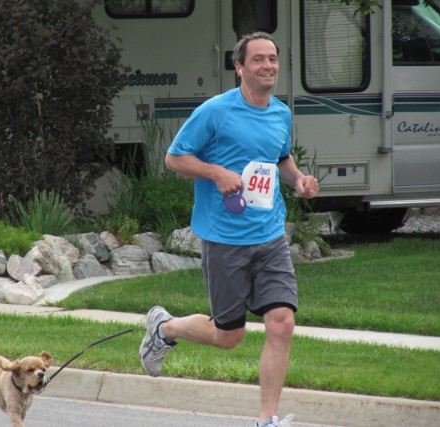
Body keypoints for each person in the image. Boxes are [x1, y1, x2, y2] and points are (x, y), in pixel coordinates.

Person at [138, 32, 319, 427]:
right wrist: (216, 172)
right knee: (229, 335)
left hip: (269, 236)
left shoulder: (281, 114)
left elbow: (281, 160)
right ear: (240, 67)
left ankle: (266, 420)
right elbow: (174, 158)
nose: (268, 66)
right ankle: (164, 326)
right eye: (258, 60)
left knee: (282, 322)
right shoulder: (215, 111)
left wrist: (300, 179)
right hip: (225, 239)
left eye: (272, 58)